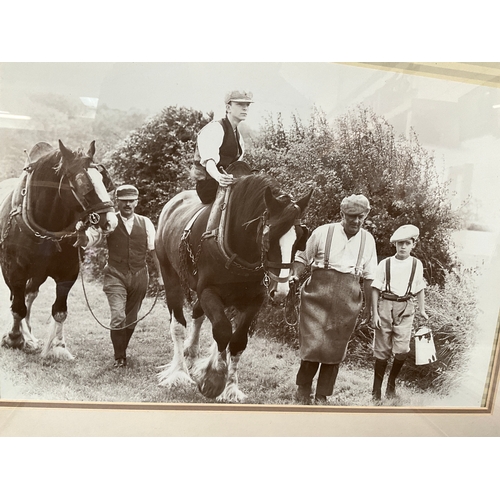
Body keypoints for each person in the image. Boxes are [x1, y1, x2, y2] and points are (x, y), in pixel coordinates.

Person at [291, 194, 378, 404]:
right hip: (316, 295)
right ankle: (303, 388)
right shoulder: (323, 232)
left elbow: (369, 277)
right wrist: (294, 275)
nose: (356, 221)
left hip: (348, 300)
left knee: (336, 348)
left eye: (361, 217)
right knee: (313, 344)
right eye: (351, 216)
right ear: (342, 214)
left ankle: (322, 394)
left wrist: (369, 308)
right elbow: (302, 258)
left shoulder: (368, 240)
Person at [77, 184, 163, 368]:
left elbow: (154, 251)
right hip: (115, 274)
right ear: (117, 202)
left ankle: (121, 349)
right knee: (118, 316)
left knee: (131, 318)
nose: (128, 205)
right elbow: (88, 242)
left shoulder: (145, 222)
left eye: (131, 201)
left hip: (140, 275)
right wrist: (81, 231)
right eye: (124, 201)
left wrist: (162, 277)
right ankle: (120, 357)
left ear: (136, 202)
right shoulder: (109, 222)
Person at [371, 224, 428, 401]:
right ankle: (376, 390)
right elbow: (375, 288)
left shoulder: (416, 264)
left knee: (402, 349)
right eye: (399, 243)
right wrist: (375, 313)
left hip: (406, 307)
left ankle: (391, 384)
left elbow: (419, 288)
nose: (403, 247)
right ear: (394, 245)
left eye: (407, 243)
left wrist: (422, 309)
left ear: (413, 245)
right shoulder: (385, 263)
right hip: (385, 305)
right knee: (381, 350)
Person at [191, 90, 253, 204]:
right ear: (228, 108)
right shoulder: (215, 129)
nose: (245, 108)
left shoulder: (239, 137)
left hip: (227, 183)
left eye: (247, 105)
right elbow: (209, 162)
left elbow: (236, 166)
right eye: (239, 104)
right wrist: (219, 177)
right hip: (209, 184)